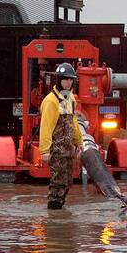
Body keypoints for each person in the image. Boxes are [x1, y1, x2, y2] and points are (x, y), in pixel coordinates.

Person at [39, 62, 83, 210]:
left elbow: (73, 122)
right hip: (57, 151)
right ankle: (53, 220)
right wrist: (45, 151)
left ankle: (59, 213)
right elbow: (46, 127)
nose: (68, 82)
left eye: (71, 79)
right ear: (58, 80)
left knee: (67, 182)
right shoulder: (51, 101)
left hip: (68, 150)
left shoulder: (70, 99)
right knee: (58, 184)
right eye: (65, 79)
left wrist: (79, 142)